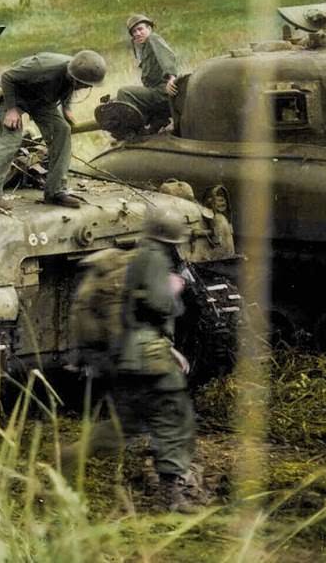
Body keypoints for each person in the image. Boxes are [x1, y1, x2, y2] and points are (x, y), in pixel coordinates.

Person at [68, 207, 201, 513]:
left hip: (129, 356)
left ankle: (70, 456)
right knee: (174, 418)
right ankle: (171, 495)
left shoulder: (138, 257)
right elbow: (159, 303)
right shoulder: (154, 259)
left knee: (124, 425)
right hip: (149, 356)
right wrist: (173, 296)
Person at [0, 51, 107, 208]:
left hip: (41, 99)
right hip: (15, 94)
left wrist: (66, 108)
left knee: (62, 131)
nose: (84, 87)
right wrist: (12, 109)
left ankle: (55, 192)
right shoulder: (44, 68)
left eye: (87, 85)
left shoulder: (78, 72)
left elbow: (68, 87)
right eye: (82, 84)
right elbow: (8, 77)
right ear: (73, 76)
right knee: (12, 138)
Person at [97, 14, 181, 137]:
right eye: (134, 32)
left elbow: (166, 56)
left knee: (125, 93)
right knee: (115, 101)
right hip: (155, 92)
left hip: (163, 91)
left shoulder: (153, 39)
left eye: (140, 29)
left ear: (149, 29)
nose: (137, 33)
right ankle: (157, 123)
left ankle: (133, 133)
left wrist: (171, 77)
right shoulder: (145, 49)